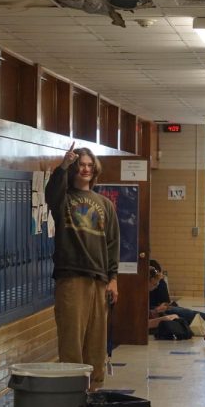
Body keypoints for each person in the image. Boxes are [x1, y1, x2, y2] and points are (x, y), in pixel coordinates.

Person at [45, 142, 119, 391]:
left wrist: (113, 278)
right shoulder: (63, 200)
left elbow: (112, 244)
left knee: (96, 341)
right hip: (71, 278)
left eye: (89, 165)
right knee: (72, 339)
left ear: (94, 170)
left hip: (98, 280)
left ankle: (94, 389)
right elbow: (51, 192)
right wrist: (64, 165)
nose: (85, 169)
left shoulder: (105, 204)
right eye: (81, 165)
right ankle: (72, 390)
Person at [147, 259, 205, 328]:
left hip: (155, 311)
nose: (156, 287)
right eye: (154, 284)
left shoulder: (152, 288)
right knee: (176, 311)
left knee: (178, 310)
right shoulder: (140, 293)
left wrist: (159, 308)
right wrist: (155, 311)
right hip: (153, 314)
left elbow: (163, 303)